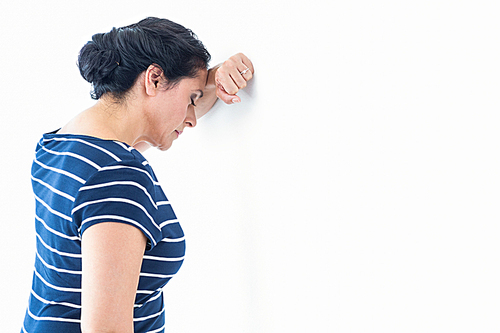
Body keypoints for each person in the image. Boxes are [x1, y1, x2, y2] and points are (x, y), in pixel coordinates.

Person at [21, 17, 254, 333]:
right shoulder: (118, 176)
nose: (191, 119)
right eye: (191, 99)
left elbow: (156, 126)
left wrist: (208, 81)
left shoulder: (62, 144)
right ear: (154, 78)